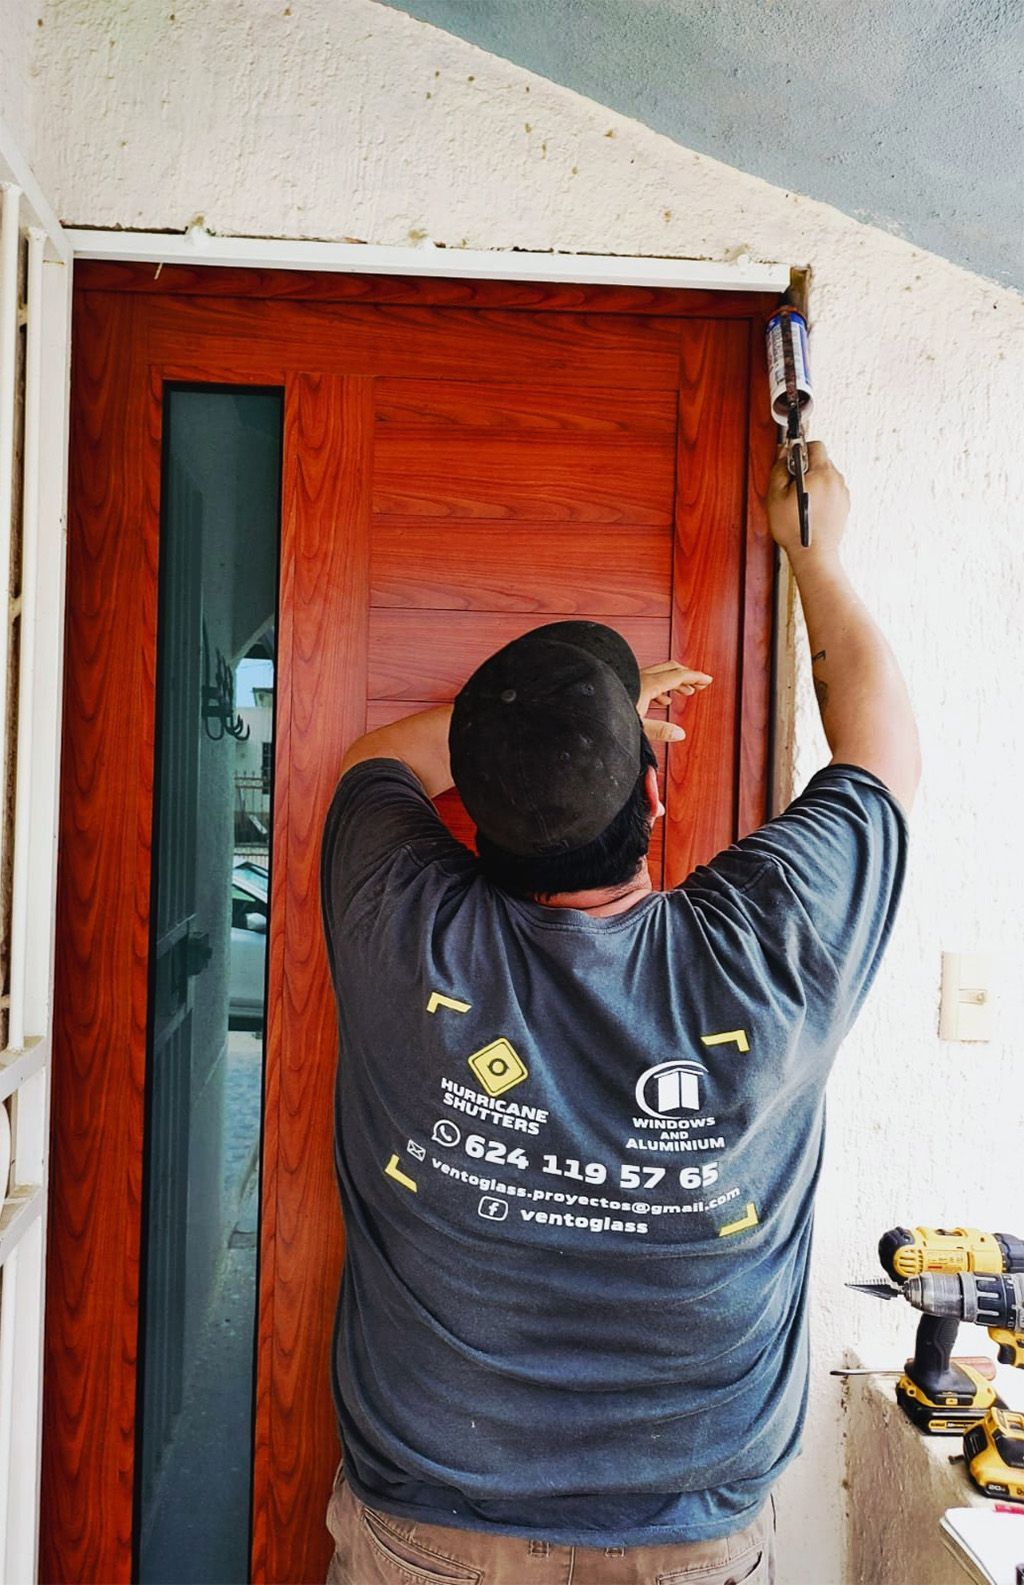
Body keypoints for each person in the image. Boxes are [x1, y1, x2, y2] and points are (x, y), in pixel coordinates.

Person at [319, 441, 919, 1584]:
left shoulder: (395, 917)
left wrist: (540, 729)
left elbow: (372, 763)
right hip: (684, 1531)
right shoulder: (763, 949)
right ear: (653, 788)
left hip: (430, 1526)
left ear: (472, 811)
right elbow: (881, 758)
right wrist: (815, 552)